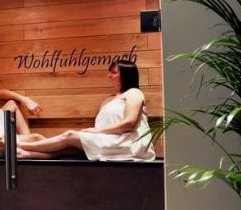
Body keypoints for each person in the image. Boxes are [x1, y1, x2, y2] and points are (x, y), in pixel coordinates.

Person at [17, 59, 157, 161]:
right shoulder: (107, 100)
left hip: (127, 143)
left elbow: (130, 123)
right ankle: (25, 154)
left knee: (69, 135)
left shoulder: (134, 93)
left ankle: (20, 146)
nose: (109, 75)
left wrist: (96, 131)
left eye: (114, 72)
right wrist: (95, 132)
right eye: (109, 72)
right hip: (107, 142)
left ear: (126, 75)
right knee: (66, 149)